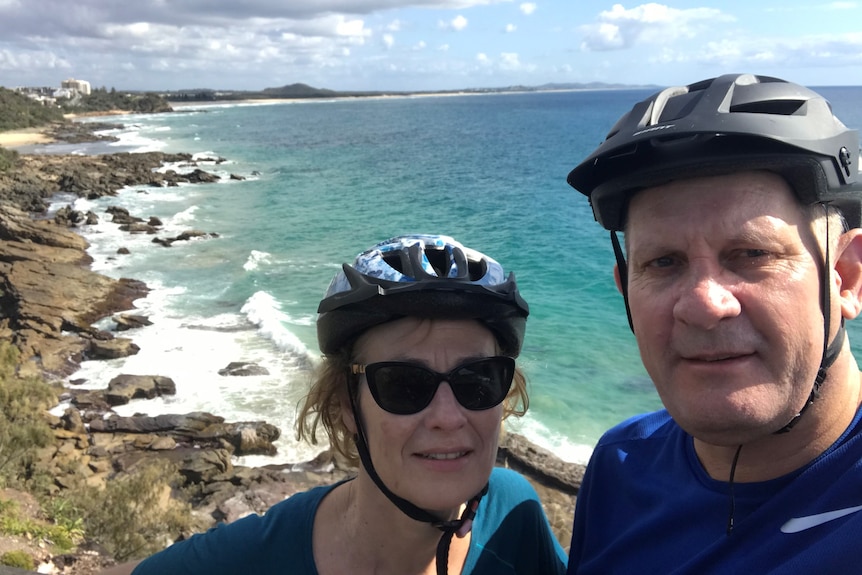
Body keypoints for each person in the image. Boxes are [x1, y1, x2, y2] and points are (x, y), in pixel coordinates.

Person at [101, 234, 567, 575]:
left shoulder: (514, 514)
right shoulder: (255, 557)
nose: (448, 417)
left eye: (478, 380)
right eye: (404, 385)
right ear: (346, 403)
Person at [564, 73, 862, 574]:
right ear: (626, 291)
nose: (704, 305)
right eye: (662, 263)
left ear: (847, 277)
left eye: (752, 253)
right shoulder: (620, 465)